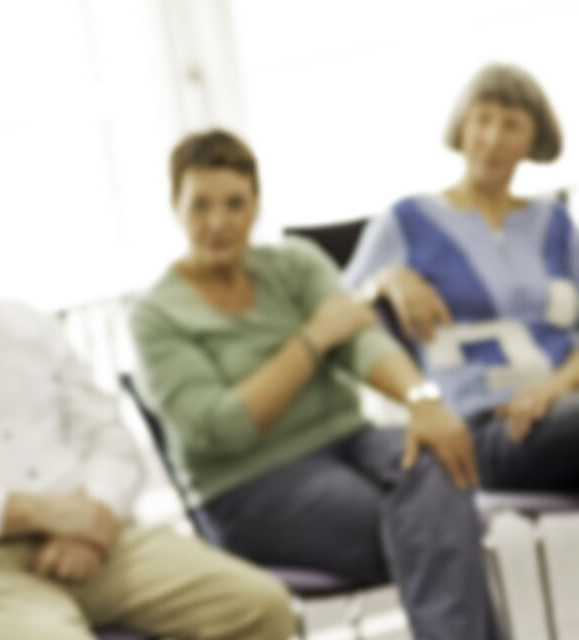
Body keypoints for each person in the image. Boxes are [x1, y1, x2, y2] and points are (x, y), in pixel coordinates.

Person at [0, 156, 295, 640]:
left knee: (262, 607)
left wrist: (92, 521)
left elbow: (109, 437)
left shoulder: (30, 326)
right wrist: (38, 512)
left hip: (103, 539)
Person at [130, 130, 504, 639]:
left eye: (235, 204)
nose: (218, 222)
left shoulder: (294, 263)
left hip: (350, 440)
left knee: (439, 460)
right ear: (176, 207)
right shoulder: (156, 315)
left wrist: (424, 400)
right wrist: (311, 338)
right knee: (435, 524)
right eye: (200, 206)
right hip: (248, 484)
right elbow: (223, 427)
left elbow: (362, 341)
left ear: (256, 205)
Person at [344, 63, 579, 491]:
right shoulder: (408, 220)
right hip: (487, 424)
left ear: (533, 139)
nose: (492, 138)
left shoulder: (556, 222)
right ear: (461, 126)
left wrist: (555, 387)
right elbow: (336, 312)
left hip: (563, 404)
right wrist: (386, 278)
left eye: (511, 125)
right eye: (482, 119)